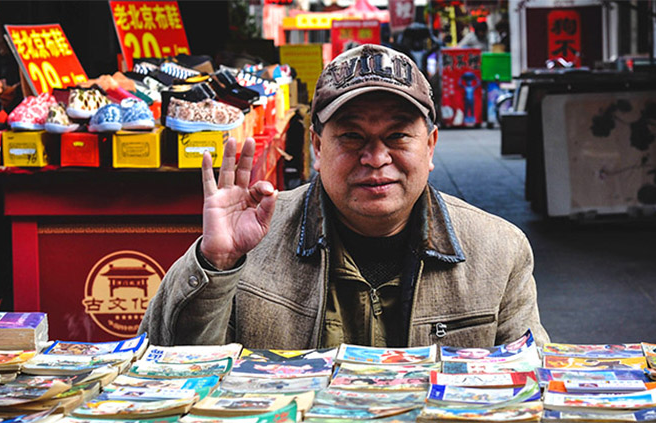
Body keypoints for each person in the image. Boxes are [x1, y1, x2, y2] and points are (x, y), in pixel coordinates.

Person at [139, 44, 549, 348]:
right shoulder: (252, 241)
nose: (375, 158)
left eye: (398, 135)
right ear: (317, 148)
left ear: (431, 146)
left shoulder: (499, 251)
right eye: (352, 136)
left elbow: (532, 386)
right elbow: (167, 369)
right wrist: (216, 265)